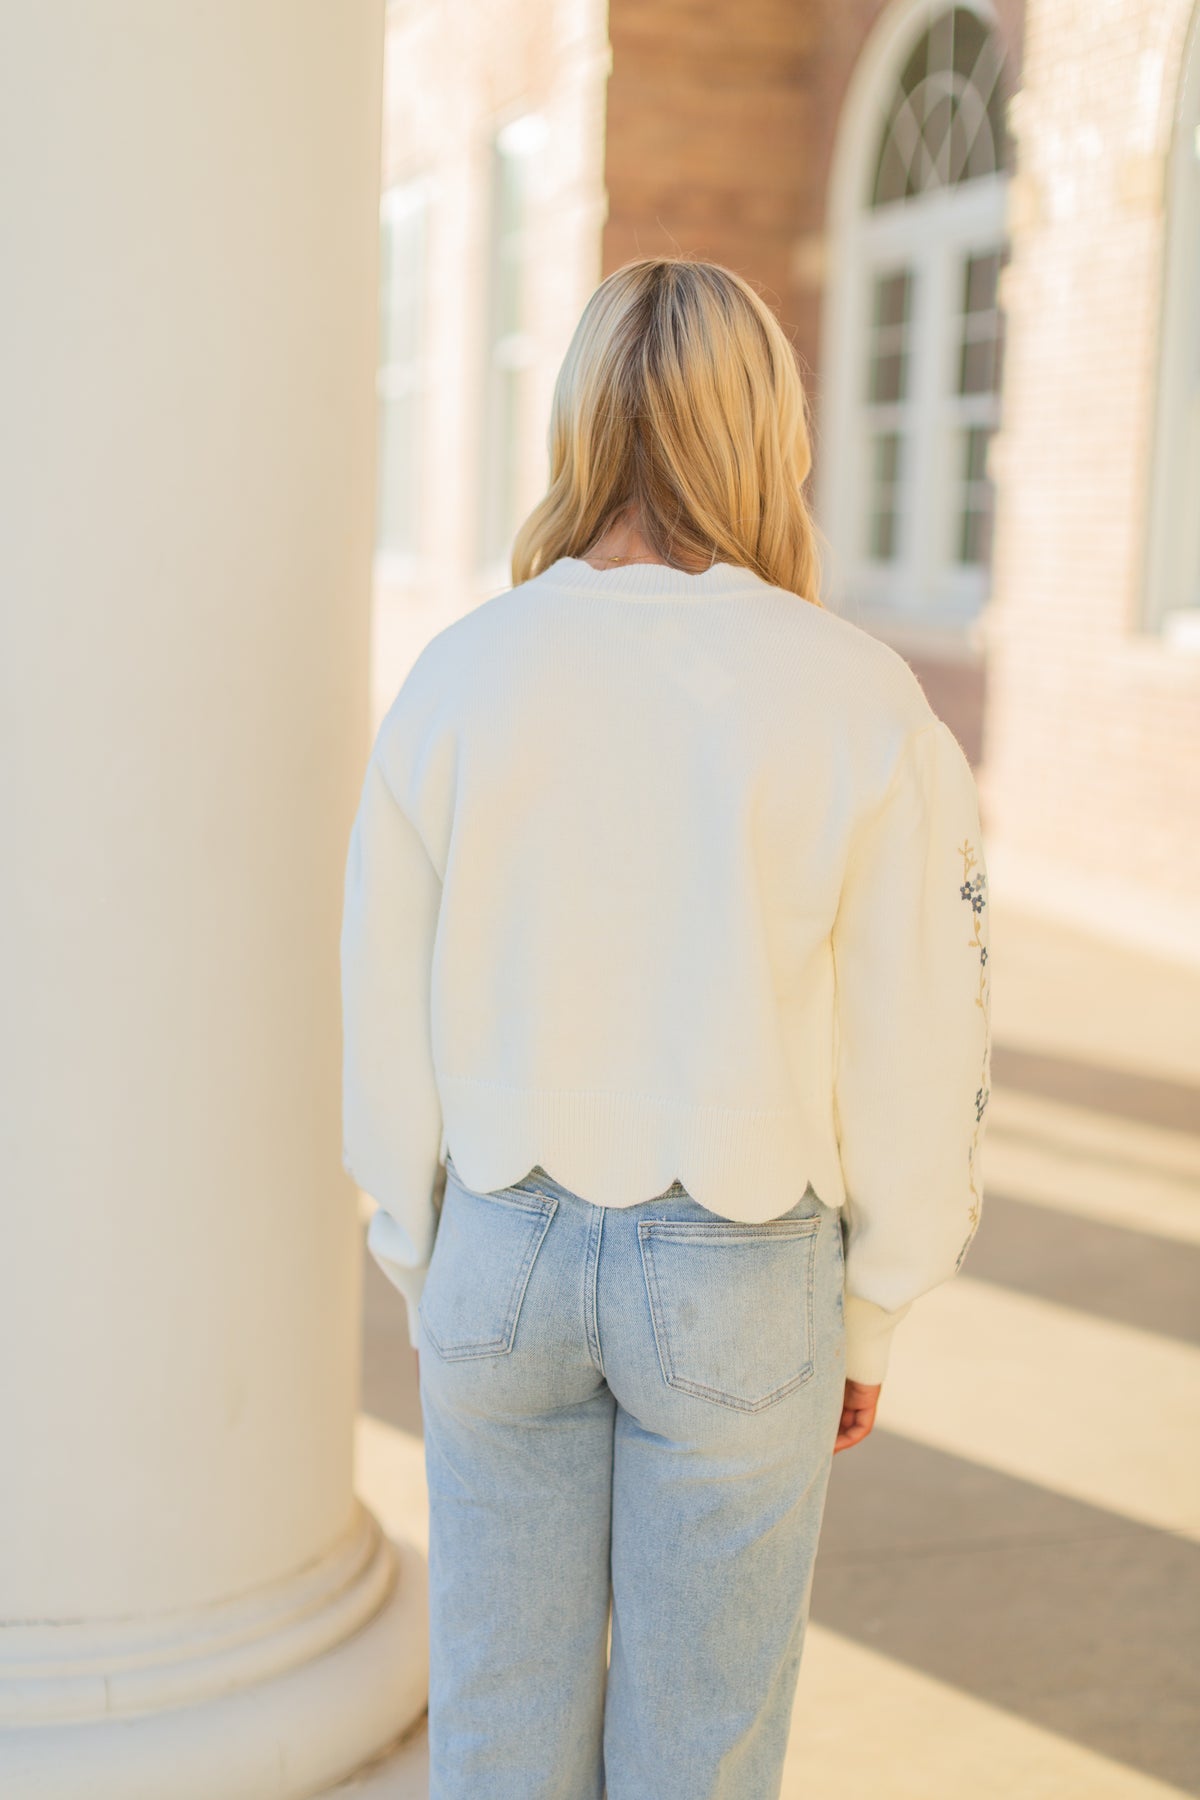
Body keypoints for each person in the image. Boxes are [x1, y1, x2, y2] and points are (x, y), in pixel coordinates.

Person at [340, 254, 992, 1800]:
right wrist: (879, 1304)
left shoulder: (460, 676)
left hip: (495, 1247)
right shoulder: (861, 700)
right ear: (772, 431)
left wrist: (422, 1255)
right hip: (745, 1268)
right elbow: (922, 1044)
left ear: (578, 421)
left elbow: (381, 1006)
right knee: (700, 1760)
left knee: (495, 1741)